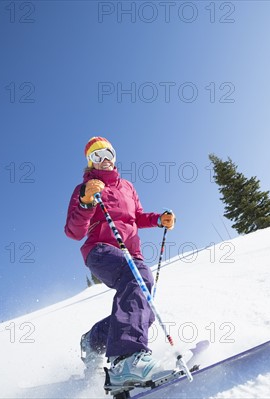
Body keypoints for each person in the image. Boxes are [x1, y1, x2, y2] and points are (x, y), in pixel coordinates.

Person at [64, 136, 175, 385]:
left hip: (131, 253)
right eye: (96, 156)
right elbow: (73, 231)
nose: (103, 160)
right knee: (137, 278)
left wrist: (158, 219)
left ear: (114, 156)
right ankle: (126, 360)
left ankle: (94, 339)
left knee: (143, 311)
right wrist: (86, 201)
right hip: (100, 249)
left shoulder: (127, 186)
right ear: (90, 162)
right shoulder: (87, 187)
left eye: (107, 154)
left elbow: (136, 216)